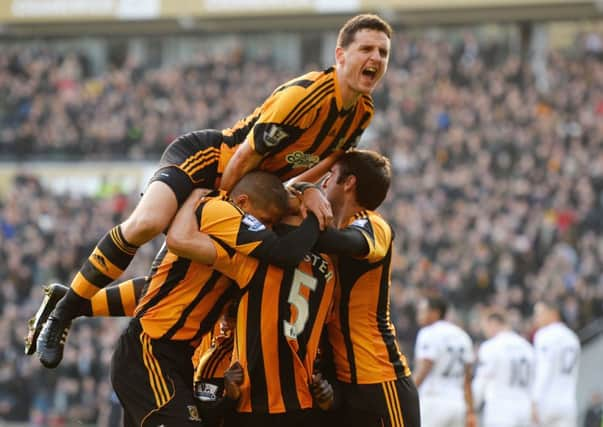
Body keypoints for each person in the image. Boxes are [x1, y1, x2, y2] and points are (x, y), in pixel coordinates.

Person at [35, 13, 393, 369]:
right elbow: (244, 155)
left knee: (195, 277)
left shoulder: (362, 113)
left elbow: (317, 165)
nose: (376, 58)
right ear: (341, 55)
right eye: (366, 48)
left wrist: (302, 191)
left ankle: (74, 300)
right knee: (148, 222)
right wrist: (222, 203)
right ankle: (63, 314)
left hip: (253, 188)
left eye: (383, 52)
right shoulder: (305, 97)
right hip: (212, 162)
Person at [109, 171, 325, 426]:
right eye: (264, 222)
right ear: (242, 204)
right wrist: (314, 201)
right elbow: (176, 241)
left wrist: (308, 190)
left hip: (175, 357)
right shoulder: (216, 223)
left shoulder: (236, 249)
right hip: (149, 351)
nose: (266, 231)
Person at [166, 183, 337, 427]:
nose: (262, 227)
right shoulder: (330, 267)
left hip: (252, 407)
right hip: (303, 404)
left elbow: (178, 240)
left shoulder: (252, 261)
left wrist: (193, 195)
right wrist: (312, 193)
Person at [313, 149, 420, 427]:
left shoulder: (374, 223)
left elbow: (349, 243)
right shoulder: (335, 227)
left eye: (331, 174)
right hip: (346, 384)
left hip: (381, 380)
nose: (323, 182)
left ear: (349, 183)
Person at [413, 296, 475, 427]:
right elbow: (467, 379)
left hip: (433, 401)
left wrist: (406, 395)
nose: (419, 314)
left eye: (422, 310)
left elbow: (424, 368)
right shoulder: (463, 336)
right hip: (458, 404)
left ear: (435, 312)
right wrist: (470, 411)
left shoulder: (428, 332)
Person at [472, 310, 534, 427]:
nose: (485, 331)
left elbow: (481, 381)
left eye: (485, 326)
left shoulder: (491, 347)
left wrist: (470, 407)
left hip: (500, 410)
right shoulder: (527, 347)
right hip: (525, 410)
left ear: (493, 324)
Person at [531, 300, 581, 427]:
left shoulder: (544, 335)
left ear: (553, 313)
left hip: (547, 402)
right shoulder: (572, 337)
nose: (536, 318)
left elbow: (543, 370)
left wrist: (534, 400)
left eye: (539, 313)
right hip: (568, 403)